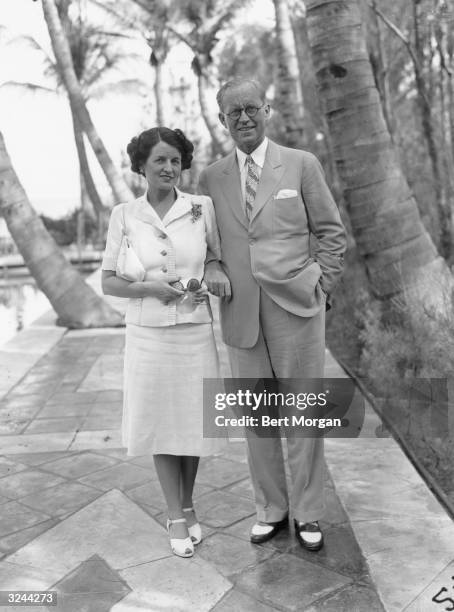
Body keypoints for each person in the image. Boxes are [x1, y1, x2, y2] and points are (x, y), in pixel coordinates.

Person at [199, 78, 347, 551]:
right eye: (233, 112)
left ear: (267, 110)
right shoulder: (211, 177)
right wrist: (213, 265)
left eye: (250, 108)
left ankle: (308, 513)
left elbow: (330, 231)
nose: (243, 118)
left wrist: (321, 284)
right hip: (241, 311)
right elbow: (205, 243)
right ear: (222, 121)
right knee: (256, 415)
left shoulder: (302, 164)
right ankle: (272, 510)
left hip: (297, 307)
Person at [101, 127, 227, 559]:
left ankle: (188, 504)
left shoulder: (201, 208)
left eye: (175, 160)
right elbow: (109, 282)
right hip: (148, 337)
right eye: (159, 160)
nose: (169, 168)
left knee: (191, 425)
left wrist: (211, 273)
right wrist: (150, 290)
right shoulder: (124, 215)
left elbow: (215, 255)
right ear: (141, 166)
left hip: (195, 331)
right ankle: (174, 515)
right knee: (160, 427)